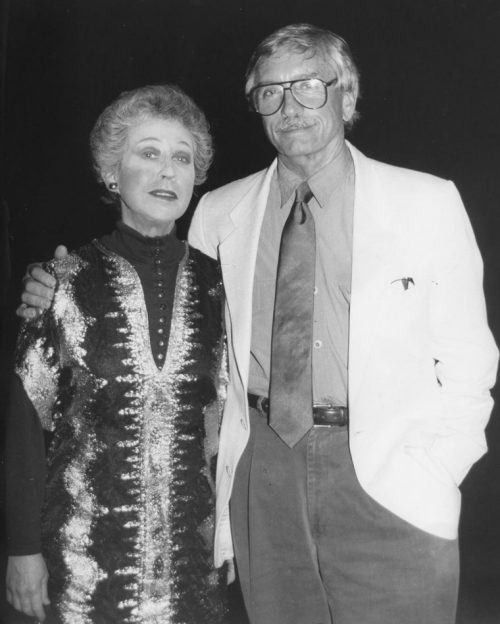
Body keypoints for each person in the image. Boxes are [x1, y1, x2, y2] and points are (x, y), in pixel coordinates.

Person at [17, 23, 499, 624]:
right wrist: (53, 284)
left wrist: (434, 470)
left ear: (346, 97)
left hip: (388, 480)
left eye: (309, 88)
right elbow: (167, 296)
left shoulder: (426, 202)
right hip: (262, 479)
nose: (289, 107)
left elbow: (470, 364)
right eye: (270, 92)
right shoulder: (219, 212)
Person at [6, 84, 228, 624]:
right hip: (82, 570)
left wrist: (231, 535)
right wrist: (21, 550)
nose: (167, 172)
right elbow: (22, 428)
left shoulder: (221, 285)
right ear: (111, 172)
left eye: (182, 158)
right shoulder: (61, 282)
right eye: (147, 153)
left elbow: (228, 427)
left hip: (192, 570)